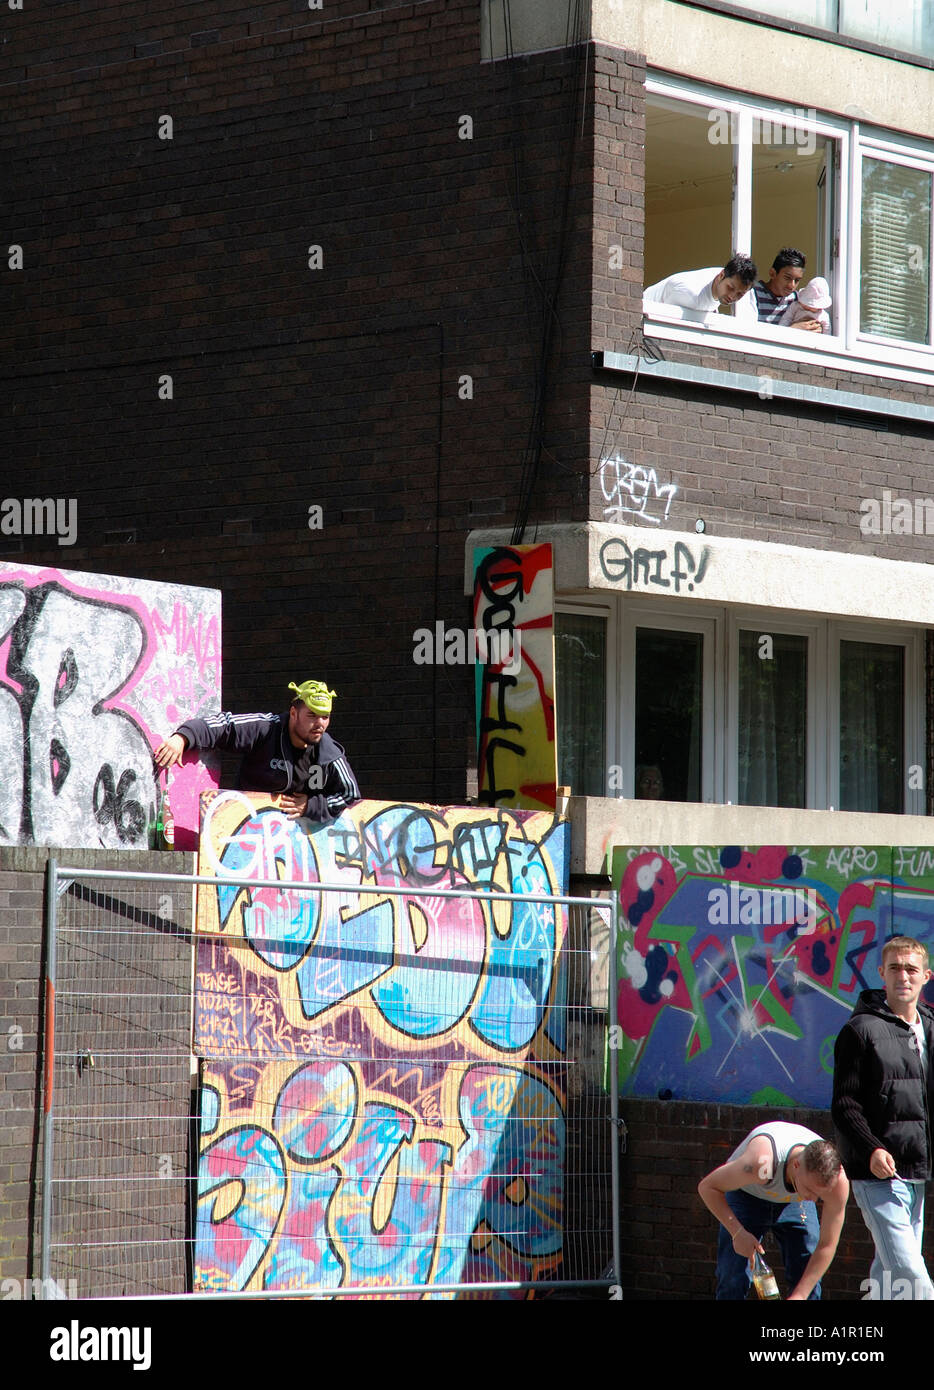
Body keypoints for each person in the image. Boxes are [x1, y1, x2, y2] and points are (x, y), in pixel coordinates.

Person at [832, 935, 934, 1300]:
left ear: (926, 975)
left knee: (892, 1281)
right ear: (881, 974)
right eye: (894, 968)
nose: (903, 976)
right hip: (876, 1173)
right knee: (911, 1273)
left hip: (917, 1171)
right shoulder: (860, 1030)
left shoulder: (930, 1027)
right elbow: (844, 1103)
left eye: (911, 969)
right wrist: (872, 1148)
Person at [154, 678, 360, 823]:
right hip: (245, 829)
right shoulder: (266, 728)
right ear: (294, 713)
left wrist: (311, 806)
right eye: (312, 715)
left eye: (325, 717)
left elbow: (351, 795)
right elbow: (222, 725)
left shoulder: (329, 752)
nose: (320, 724)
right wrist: (182, 738)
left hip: (299, 849)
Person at [697, 1122, 849, 1300]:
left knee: (808, 1272)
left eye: (820, 1195)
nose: (814, 1199)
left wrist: (800, 1295)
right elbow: (707, 1187)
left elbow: (827, 1244)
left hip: (794, 1202)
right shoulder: (761, 1164)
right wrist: (737, 1232)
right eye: (811, 1190)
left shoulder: (837, 1182)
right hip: (747, 1195)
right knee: (733, 1277)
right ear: (796, 1165)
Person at [642, 252, 757, 323]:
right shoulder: (691, 294)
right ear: (721, 275)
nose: (732, 296)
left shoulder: (727, 277)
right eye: (730, 288)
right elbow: (666, 320)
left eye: (740, 294)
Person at [736, 247, 823, 332]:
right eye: (787, 278)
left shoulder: (798, 299)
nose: (792, 285)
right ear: (772, 273)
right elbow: (749, 331)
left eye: (797, 280)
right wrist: (792, 331)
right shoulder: (753, 293)